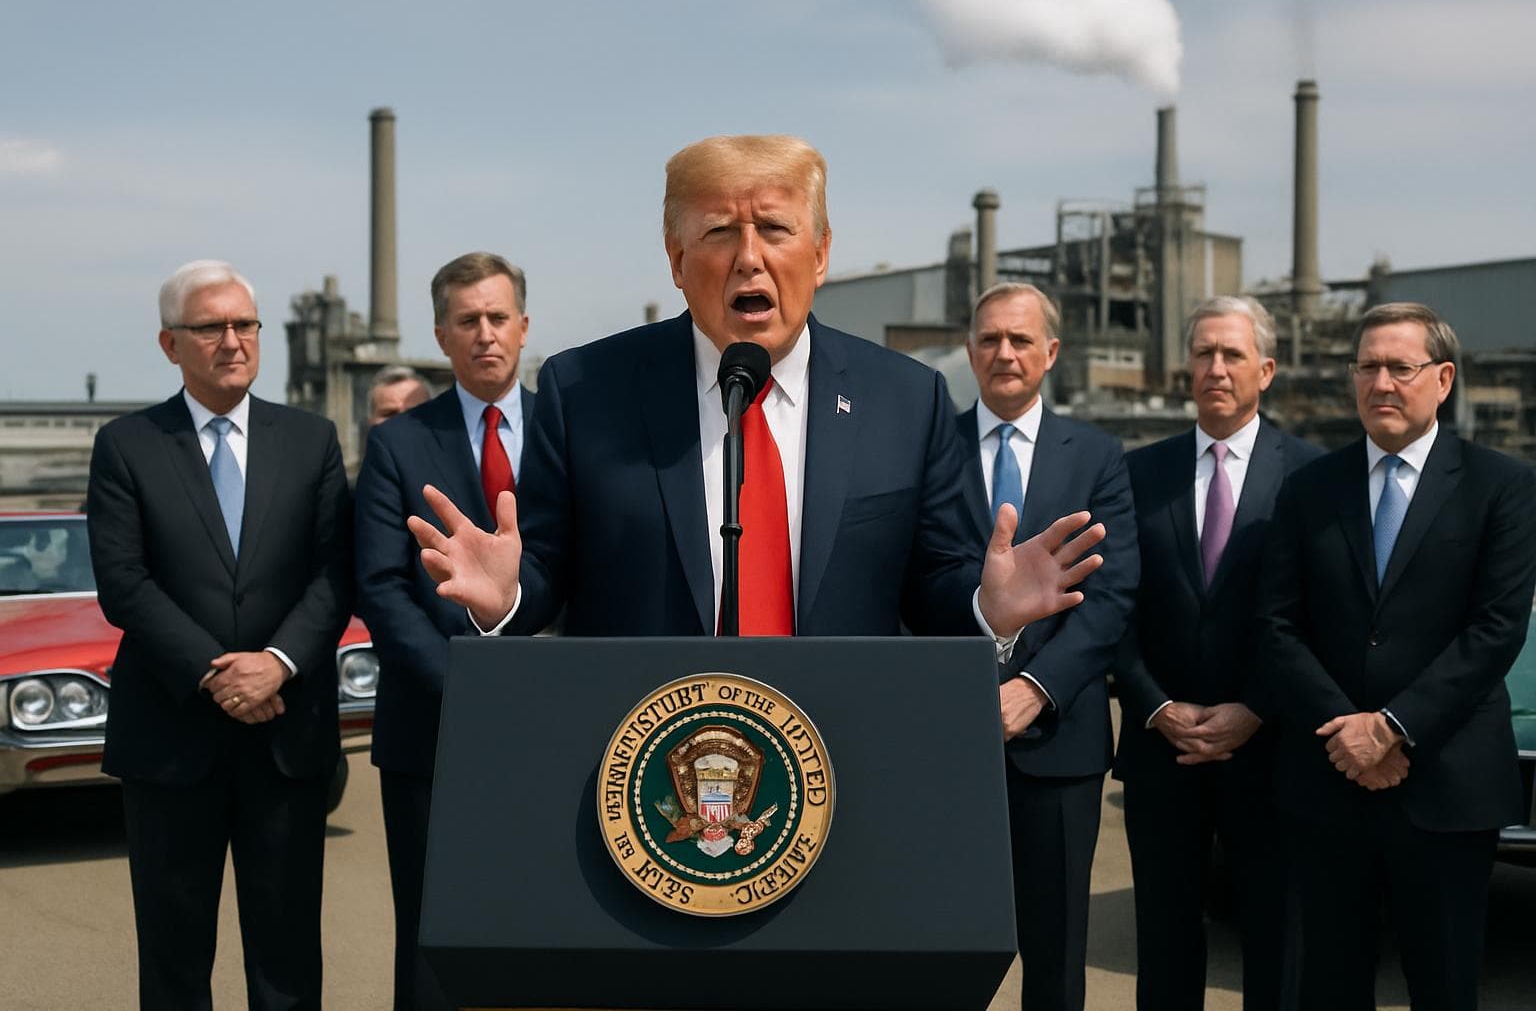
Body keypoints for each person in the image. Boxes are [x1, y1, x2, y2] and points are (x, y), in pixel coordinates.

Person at [406, 134, 1105, 676]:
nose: (749, 258)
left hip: (838, 758)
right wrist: (507, 602)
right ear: (676, 261)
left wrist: (989, 609)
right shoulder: (586, 389)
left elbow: (932, 582)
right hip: (644, 767)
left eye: (774, 228)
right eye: (718, 233)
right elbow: (546, 569)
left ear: (821, 254)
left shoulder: (903, 398)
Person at [87, 260, 352, 1010]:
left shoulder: (312, 440)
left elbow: (336, 572)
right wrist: (217, 671)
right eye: (211, 328)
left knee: (289, 954)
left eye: (245, 325)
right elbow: (124, 583)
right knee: (173, 957)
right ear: (171, 345)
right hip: (171, 740)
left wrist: (277, 663)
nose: (233, 341)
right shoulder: (127, 445)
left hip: (286, 736)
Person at [1256, 302, 1536, 1011]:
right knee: (1328, 982)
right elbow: (1277, 624)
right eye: (1367, 366)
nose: (1380, 382)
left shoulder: (1500, 487)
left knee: (1444, 985)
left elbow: (1495, 629)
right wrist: (1348, 731)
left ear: (1443, 379)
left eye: (1399, 368)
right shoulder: (1310, 488)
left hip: (1446, 782)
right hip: (1327, 780)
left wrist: (1392, 728)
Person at [1115, 296, 1322, 1010]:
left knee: (1277, 942)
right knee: (1166, 942)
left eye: (1232, 355)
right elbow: (1117, 607)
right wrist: (1156, 705)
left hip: (1270, 748)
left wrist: (1256, 707)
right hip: (1161, 748)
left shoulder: (1313, 475)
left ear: (1265, 368)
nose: (1215, 368)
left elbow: (1318, 615)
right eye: (1203, 353)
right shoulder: (1139, 473)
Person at [354, 251, 534, 1010]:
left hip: (567, 724)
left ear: (524, 327)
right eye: (467, 321)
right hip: (432, 730)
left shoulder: (572, 429)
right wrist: (465, 687)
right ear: (442, 334)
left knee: (548, 930)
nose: (484, 334)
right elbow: (381, 585)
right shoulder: (399, 445)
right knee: (434, 938)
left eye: (498, 318)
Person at [957, 282, 1138, 1011]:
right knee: (939, 938)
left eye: (1021, 339)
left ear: (1051, 353)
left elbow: (1115, 595)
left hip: (1059, 741)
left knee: (1057, 950)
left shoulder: (1095, 454)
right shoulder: (928, 447)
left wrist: (1035, 690)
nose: (1005, 352)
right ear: (970, 351)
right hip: (944, 736)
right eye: (991, 339)